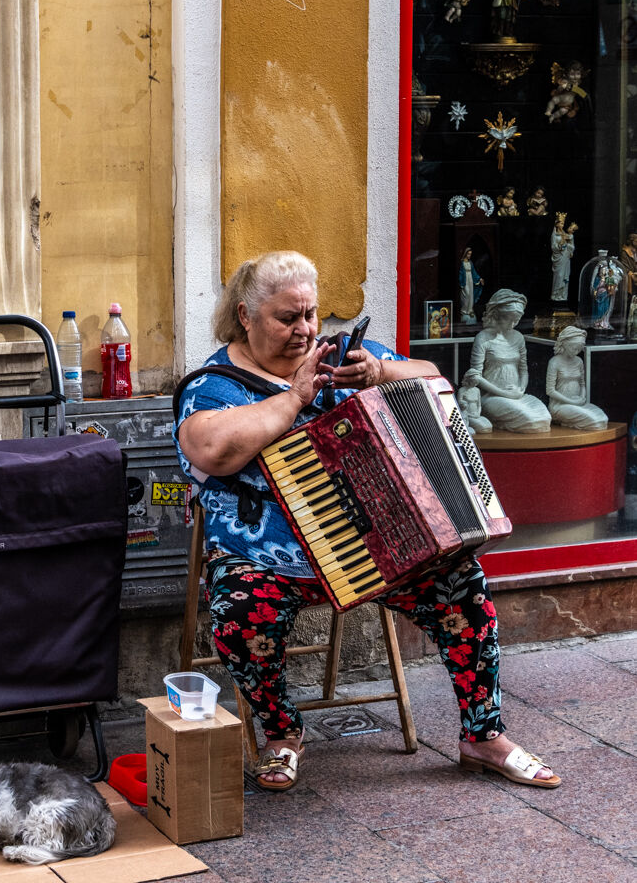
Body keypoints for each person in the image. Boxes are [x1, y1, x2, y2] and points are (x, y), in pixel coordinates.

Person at [174, 252, 560, 793]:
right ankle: (283, 733)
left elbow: (433, 380)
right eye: (288, 318)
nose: (305, 330)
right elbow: (212, 450)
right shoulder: (215, 384)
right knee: (239, 613)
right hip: (272, 558)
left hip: (382, 549)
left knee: (464, 588)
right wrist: (295, 397)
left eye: (310, 314)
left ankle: (483, 736)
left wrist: (380, 371)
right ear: (246, 315)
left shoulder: (346, 354)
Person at [466, 289, 551, 433]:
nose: (513, 324)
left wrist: (520, 389)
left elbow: (523, 369)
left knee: (544, 418)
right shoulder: (483, 338)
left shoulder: (518, 337)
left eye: (516, 320)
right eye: (508, 318)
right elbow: (475, 376)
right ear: (496, 315)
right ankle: (498, 422)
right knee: (531, 421)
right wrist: (504, 393)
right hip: (492, 397)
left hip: (518, 395)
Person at [546, 326, 607, 430]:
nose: (576, 351)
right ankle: (564, 421)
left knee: (602, 419)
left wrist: (582, 398)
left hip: (578, 402)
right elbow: (550, 391)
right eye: (574, 348)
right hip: (560, 405)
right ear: (565, 344)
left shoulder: (579, 361)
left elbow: (582, 384)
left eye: (579, 348)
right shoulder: (554, 362)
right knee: (594, 421)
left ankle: (569, 423)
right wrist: (571, 401)